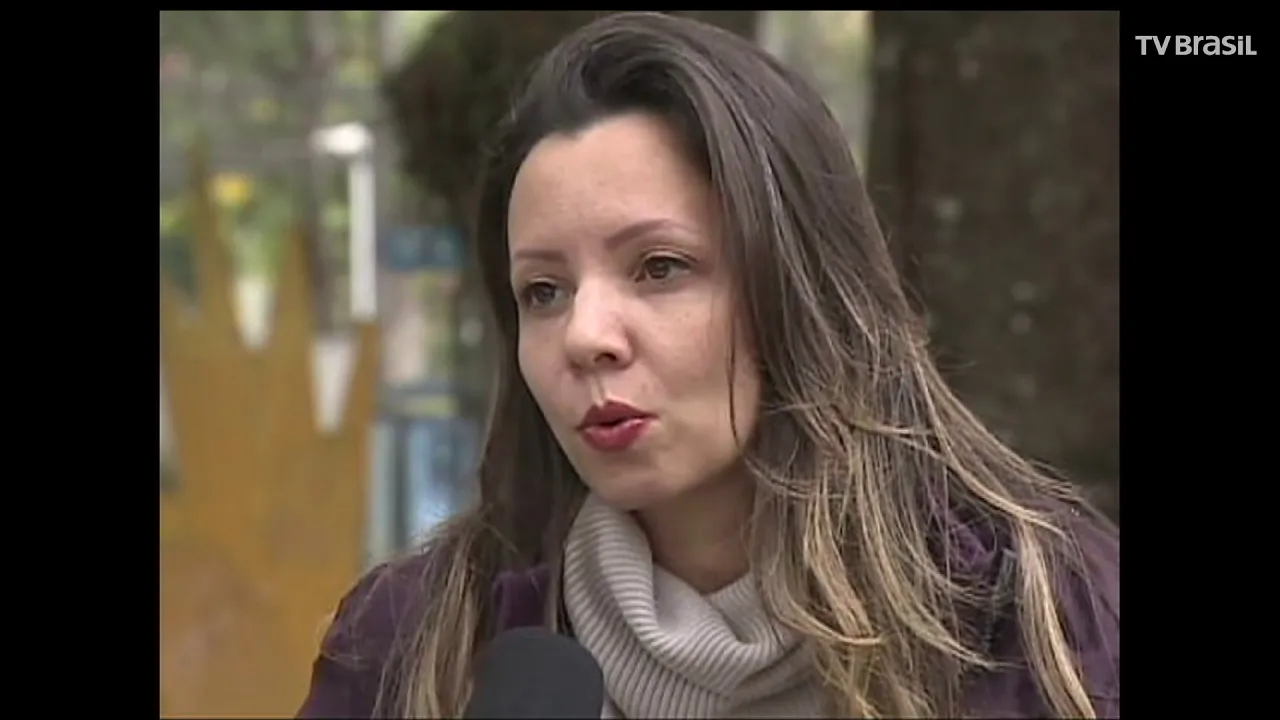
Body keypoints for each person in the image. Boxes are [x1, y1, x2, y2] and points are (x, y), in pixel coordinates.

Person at [298, 11, 1119, 719]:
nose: (585, 335)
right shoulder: (411, 643)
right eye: (543, 291)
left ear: (797, 285)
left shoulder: (1047, 621)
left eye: (659, 267)